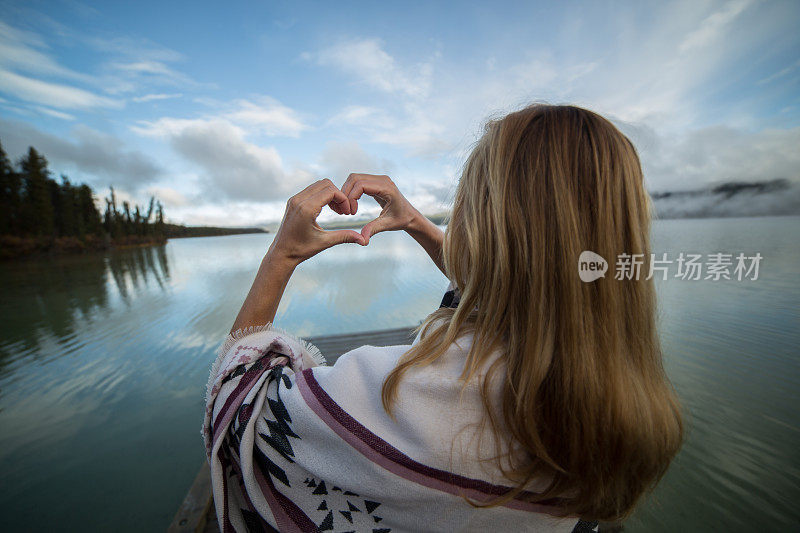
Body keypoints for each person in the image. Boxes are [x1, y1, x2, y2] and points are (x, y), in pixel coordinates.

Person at [203, 104, 683, 532]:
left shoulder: (397, 398)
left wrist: (281, 257)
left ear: (484, 222)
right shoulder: (620, 398)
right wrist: (413, 220)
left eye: (465, 200)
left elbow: (240, 407)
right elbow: (506, 286)